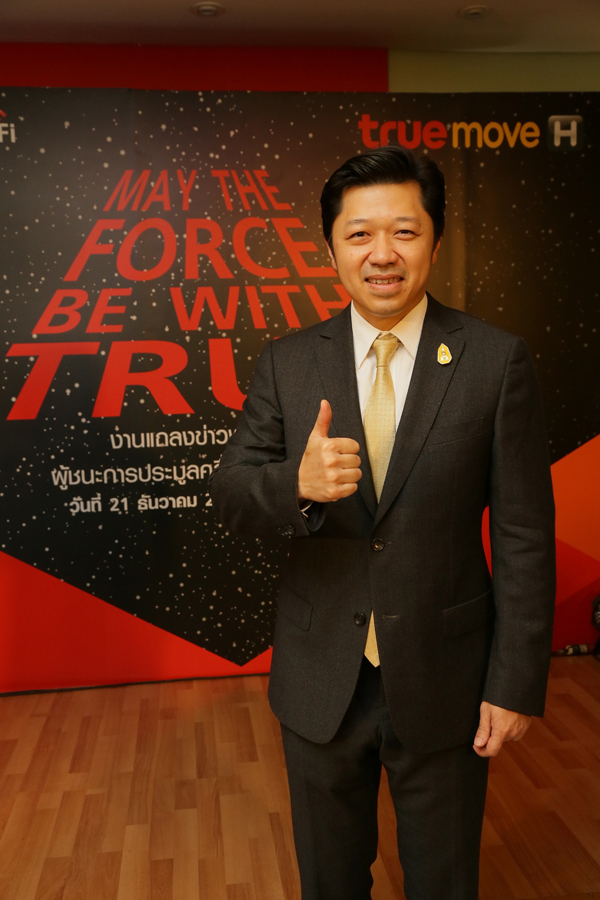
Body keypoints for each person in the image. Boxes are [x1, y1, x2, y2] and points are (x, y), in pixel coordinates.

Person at [209, 145, 555, 900]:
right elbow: (231, 493)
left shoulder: (496, 362)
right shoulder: (287, 363)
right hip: (319, 676)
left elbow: (525, 533)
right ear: (331, 247)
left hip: (446, 677)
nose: (382, 254)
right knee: (330, 881)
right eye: (359, 234)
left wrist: (516, 681)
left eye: (404, 231)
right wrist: (296, 486)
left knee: (444, 881)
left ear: (435, 239)